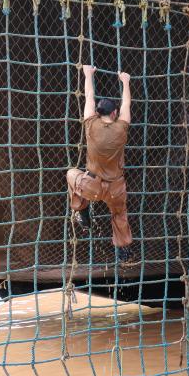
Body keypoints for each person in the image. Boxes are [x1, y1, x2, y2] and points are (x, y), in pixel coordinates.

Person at [67, 65, 136, 265]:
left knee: (71, 173)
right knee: (119, 214)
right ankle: (124, 252)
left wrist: (88, 74)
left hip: (92, 187)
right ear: (114, 113)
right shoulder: (121, 128)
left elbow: (89, 95)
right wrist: (125, 81)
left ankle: (82, 211)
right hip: (115, 188)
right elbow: (127, 104)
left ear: (98, 112)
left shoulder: (90, 124)